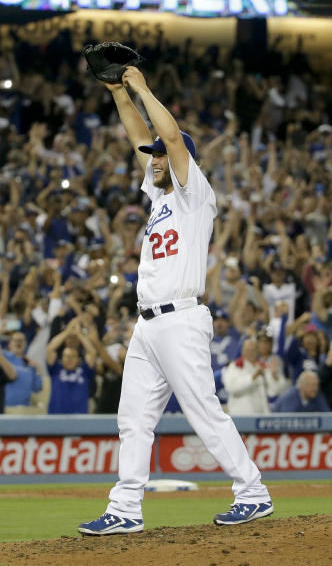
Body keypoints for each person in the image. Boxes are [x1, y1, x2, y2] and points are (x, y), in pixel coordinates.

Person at [78, 66, 273, 535]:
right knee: (133, 419)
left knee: (203, 411)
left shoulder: (193, 193)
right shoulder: (159, 197)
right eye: (154, 157)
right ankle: (125, 508)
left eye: (162, 153)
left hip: (181, 319)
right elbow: (139, 138)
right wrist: (117, 95)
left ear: (181, 154)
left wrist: (141, 87)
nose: (154, 158)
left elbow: (167, 135)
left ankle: (253, 492)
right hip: (147, 325)